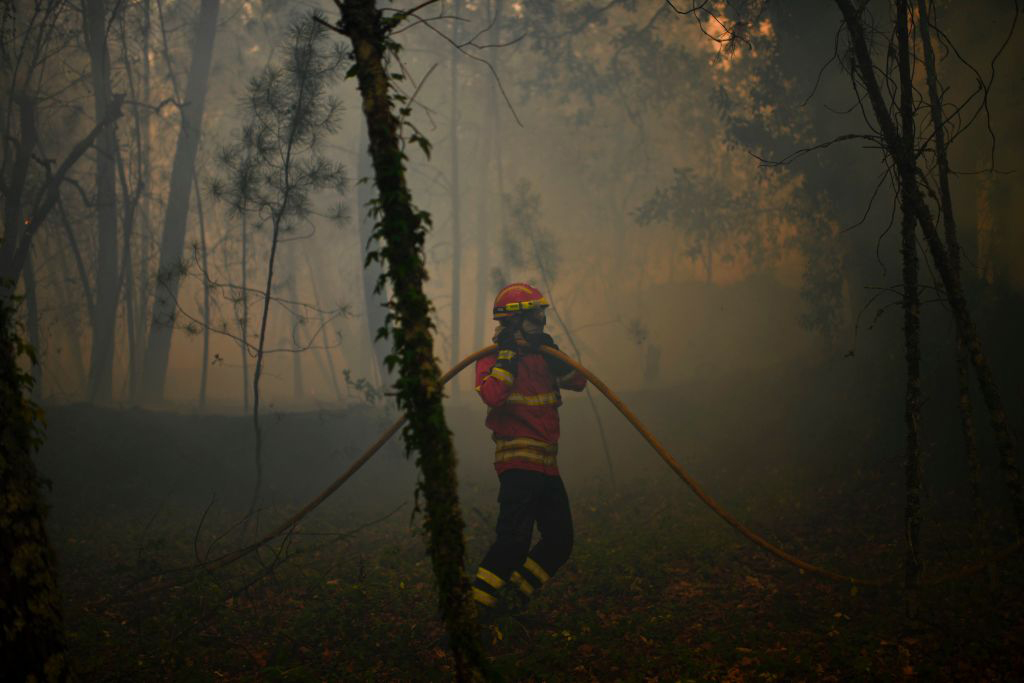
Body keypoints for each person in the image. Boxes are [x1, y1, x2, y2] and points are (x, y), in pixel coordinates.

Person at [471, 283, 587, 624]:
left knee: (560, 541)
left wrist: (555, 353)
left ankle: (511, 601)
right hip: (518, 465)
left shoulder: (543, 355)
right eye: (533, 316)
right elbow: (493, 396)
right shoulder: (489, 358)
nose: (541, 321)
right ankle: (473, 615)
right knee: (513, 543)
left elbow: (579, 382)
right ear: (513, 322)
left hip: (547, 468)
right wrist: (507, 357)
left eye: (542, 314)